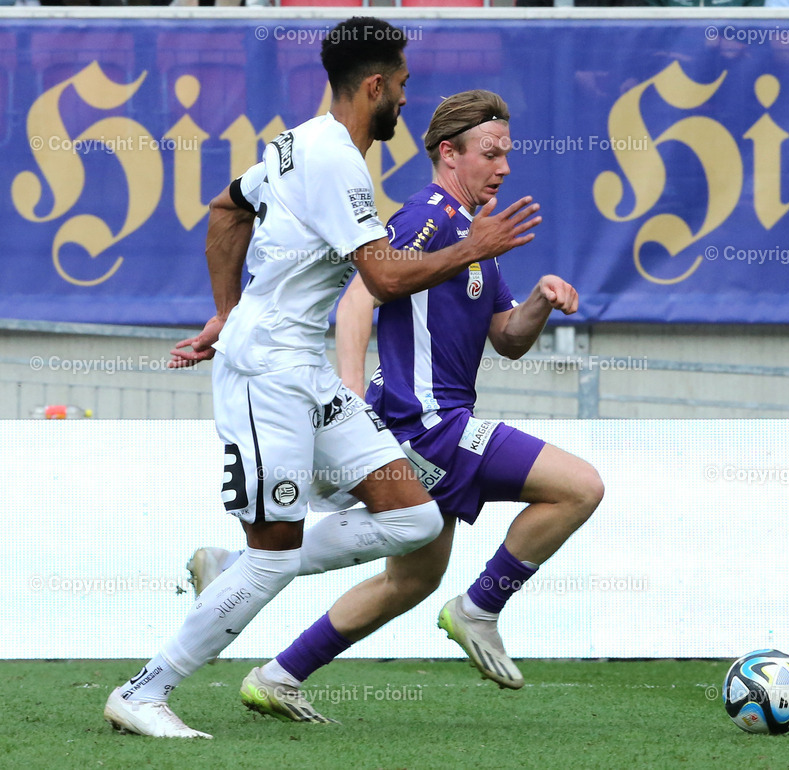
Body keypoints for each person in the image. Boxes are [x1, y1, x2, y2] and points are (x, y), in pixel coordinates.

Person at [103, 20, 541, 739]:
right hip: (268, 374)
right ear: (376, 86)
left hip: (302, 367)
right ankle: (144, 691)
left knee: (414, 519)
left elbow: (227, 209)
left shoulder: (298, 142)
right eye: (402, 84)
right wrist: (474, 245)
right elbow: (383, 278)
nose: (406, 98)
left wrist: (227, 313)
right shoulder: (337, 161)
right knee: (273, 559)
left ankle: (227, 566)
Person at [188, 89, 604, 722]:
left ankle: (276, 671)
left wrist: (541, 301)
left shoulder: (474, 233)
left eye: (507, 154)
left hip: (435, 422)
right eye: (491, 154)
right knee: (579, 487)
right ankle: (480, 608)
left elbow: (507, 338)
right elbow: (359, 297)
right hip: (429, 424)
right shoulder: (426, 218)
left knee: (411, 579)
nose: (504, 167)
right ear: (449, 153)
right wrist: (351, 393)